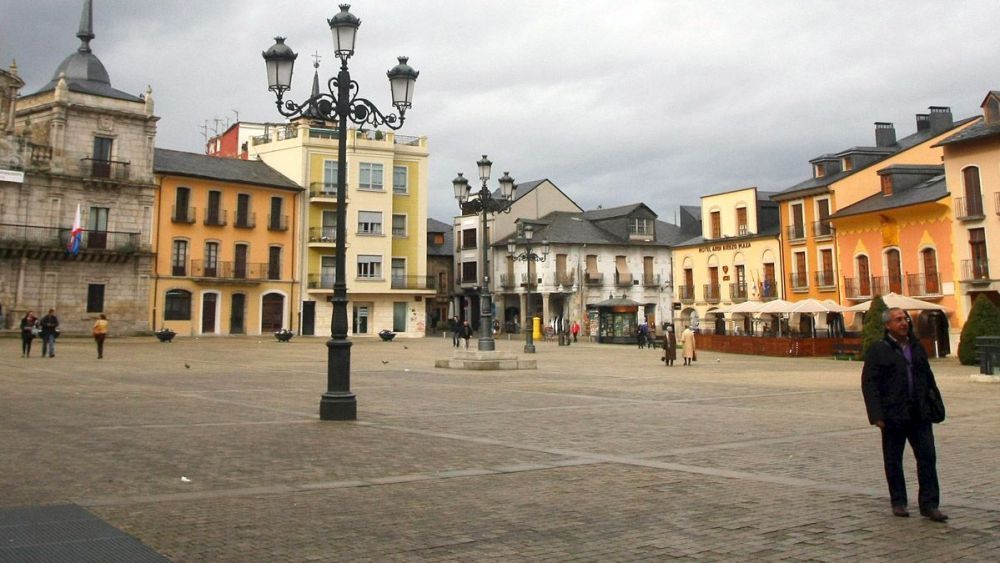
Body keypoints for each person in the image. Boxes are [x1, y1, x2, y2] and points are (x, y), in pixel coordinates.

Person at [862, 307, 948, 522]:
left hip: (919, 412)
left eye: (905, 319)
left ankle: (929, 504)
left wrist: (934, 403)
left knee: (927, 458)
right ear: (887, 325)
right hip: (893, 414)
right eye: (898, 320)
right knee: (893, 460)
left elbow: (928, 377)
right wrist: (876, 415)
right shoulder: (878, 349)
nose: (904, 323)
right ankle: (898, 501)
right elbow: (869, 384)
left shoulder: (916, 347)